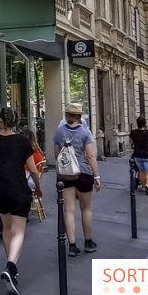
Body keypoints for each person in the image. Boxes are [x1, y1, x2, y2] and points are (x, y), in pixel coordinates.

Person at [0, 108, 41, 295]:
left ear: (2, 121)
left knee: (6, 228)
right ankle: (11, 267)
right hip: (18, 189)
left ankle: (12, 267)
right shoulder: (22, 141)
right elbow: (33, 169)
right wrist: (38, 186)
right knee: (19, 231)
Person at [53, 102, 101, 258]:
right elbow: (91, 156)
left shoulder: (59, 132)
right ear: (80, 117)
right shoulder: (86, 133)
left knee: (69, 211)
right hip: (85, 174)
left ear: (67, 116)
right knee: (86, 209)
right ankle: (88, 242)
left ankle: (72, 245)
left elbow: (57, 156)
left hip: (66, 175)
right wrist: (97, 176)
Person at [129, 116, 148, 195]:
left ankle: (144, 186)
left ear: (137, 123)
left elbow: (131, 142)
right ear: (145, 123)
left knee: (141, 171)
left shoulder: (133, 133)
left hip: (137, 154)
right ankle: (147, 185)